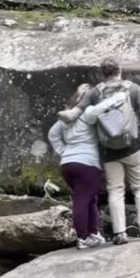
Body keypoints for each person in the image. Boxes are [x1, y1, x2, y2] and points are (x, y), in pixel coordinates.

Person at [60, 58, 140, 243]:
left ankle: (119, 233)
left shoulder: (94, 93)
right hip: (133, 147)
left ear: (102, 73)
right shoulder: (134, 88)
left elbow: (75, 113)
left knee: (115, 190)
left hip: (109, 151)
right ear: (119, 70)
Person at [47, 84, 106, 249]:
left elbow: (52, 134)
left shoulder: (66, 117)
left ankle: (93, 233)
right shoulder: (90, 114)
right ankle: (82, 237)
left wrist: (64, 151)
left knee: (88, 199)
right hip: (87, 163)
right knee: (82, 200)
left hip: (67, 164)